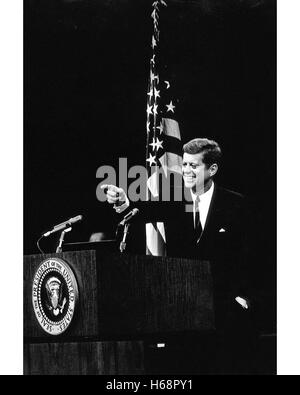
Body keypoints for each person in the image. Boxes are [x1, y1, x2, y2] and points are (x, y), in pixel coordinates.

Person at [101, 137, 257, 374]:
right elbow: (143, 210)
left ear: (212, 169)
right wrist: (124, 201)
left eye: (193, 165)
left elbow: (251, 256)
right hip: (186, 316)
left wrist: (244, 297)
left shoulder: (236, 205)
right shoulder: (176, 201)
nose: (186, 171)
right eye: (184, 164)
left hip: (227, 317)